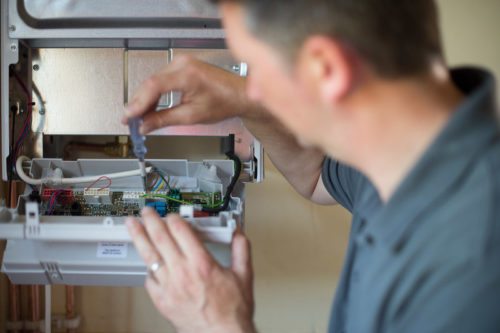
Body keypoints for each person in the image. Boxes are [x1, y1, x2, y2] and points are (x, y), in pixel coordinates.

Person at [123, 0, 500, 332]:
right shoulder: (404, 148)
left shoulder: (472, 271)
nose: (251, 88)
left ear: (327, 69)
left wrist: (220, 325)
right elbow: (318, 175)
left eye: (254, 68)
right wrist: (244, 102)